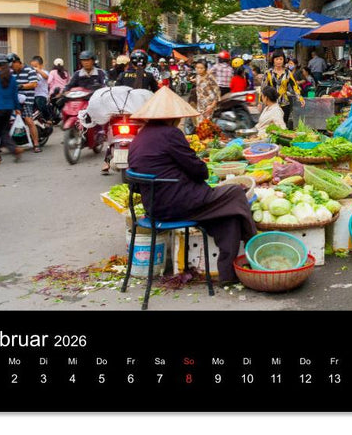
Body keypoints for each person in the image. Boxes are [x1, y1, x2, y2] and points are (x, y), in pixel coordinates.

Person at [127, 87, 257, 285]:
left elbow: (136, 182)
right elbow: (199, 172)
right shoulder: (170, 134)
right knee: (235, 193)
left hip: (155, 207)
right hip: (178, 204)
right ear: (173, 118)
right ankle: (254, 246)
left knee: (229, 216)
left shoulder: (139, 138)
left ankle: (228, 276)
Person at [261, 49, 304, 126]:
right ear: (273, 60)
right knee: (271, 126)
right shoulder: (268, 73)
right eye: (276, 59)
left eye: (281, 59)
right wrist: (261, 102)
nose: (279, 61)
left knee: (283, 126)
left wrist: (300, 98)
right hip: (271, 104)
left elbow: (295, 86)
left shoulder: (288, 73)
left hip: (285, 104)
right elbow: (263, 89)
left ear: (284, 60)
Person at [9, 54, 42, 153]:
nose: (12, 67)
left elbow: (34, 84)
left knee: (28, 120)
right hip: (14, 100)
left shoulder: (30, 70)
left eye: (13, 65)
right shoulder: (12, 73)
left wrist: (20, 86)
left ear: (18, 62)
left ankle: (36, 144)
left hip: (27, 100)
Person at [191, 59, 221, 123]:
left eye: (201, 68)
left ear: (205, 68)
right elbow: (199, 83)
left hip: (209, 104)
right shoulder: (198, 76)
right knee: (200, 124)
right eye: (197, 68)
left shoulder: (210, 77)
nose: (199, 70)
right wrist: (193, 80)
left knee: (207, 124)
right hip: (200, 104)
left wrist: (212, 106)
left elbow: (217, 92)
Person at [29, 56, 51, 121]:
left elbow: (46, 77)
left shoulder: (44, 72)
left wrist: (38, 70)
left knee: (40, 103)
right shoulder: (31, 74)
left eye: (35, 66)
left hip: (42, 94)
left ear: (41, 65)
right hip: (32, 95)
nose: (33, 68)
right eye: (32, 66)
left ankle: (48, 119)